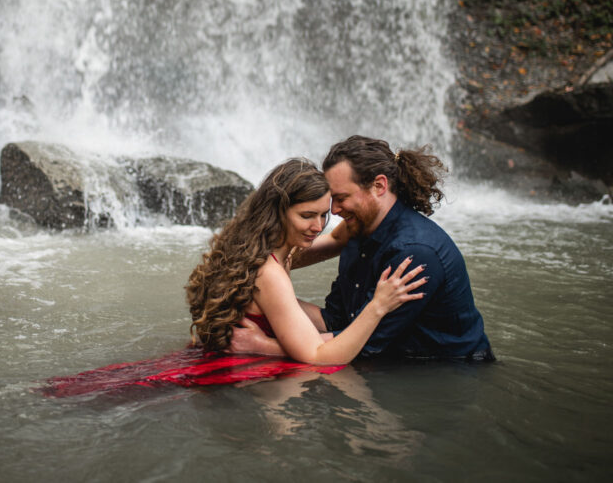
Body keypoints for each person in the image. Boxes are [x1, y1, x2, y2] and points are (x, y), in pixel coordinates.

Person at [229, 136, 494, 362]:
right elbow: (339, 319)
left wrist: (263, 347)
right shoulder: (359, 226)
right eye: (332, 200)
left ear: (379, 186)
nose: (333, 211)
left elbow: (368, 347)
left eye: (341, 198)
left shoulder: (413, 255)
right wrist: (256, 292)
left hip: (441, 372)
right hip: (372, 351)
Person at [185, 158, 427, 365]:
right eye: (307, 216)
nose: (318, 226)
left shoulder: (262, 248)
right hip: (247, 375)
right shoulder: (270, 274)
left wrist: (376, 204)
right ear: (277, 212)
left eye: (323, 215)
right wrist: (378, 306)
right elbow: (317, 355)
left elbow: (336, 237)